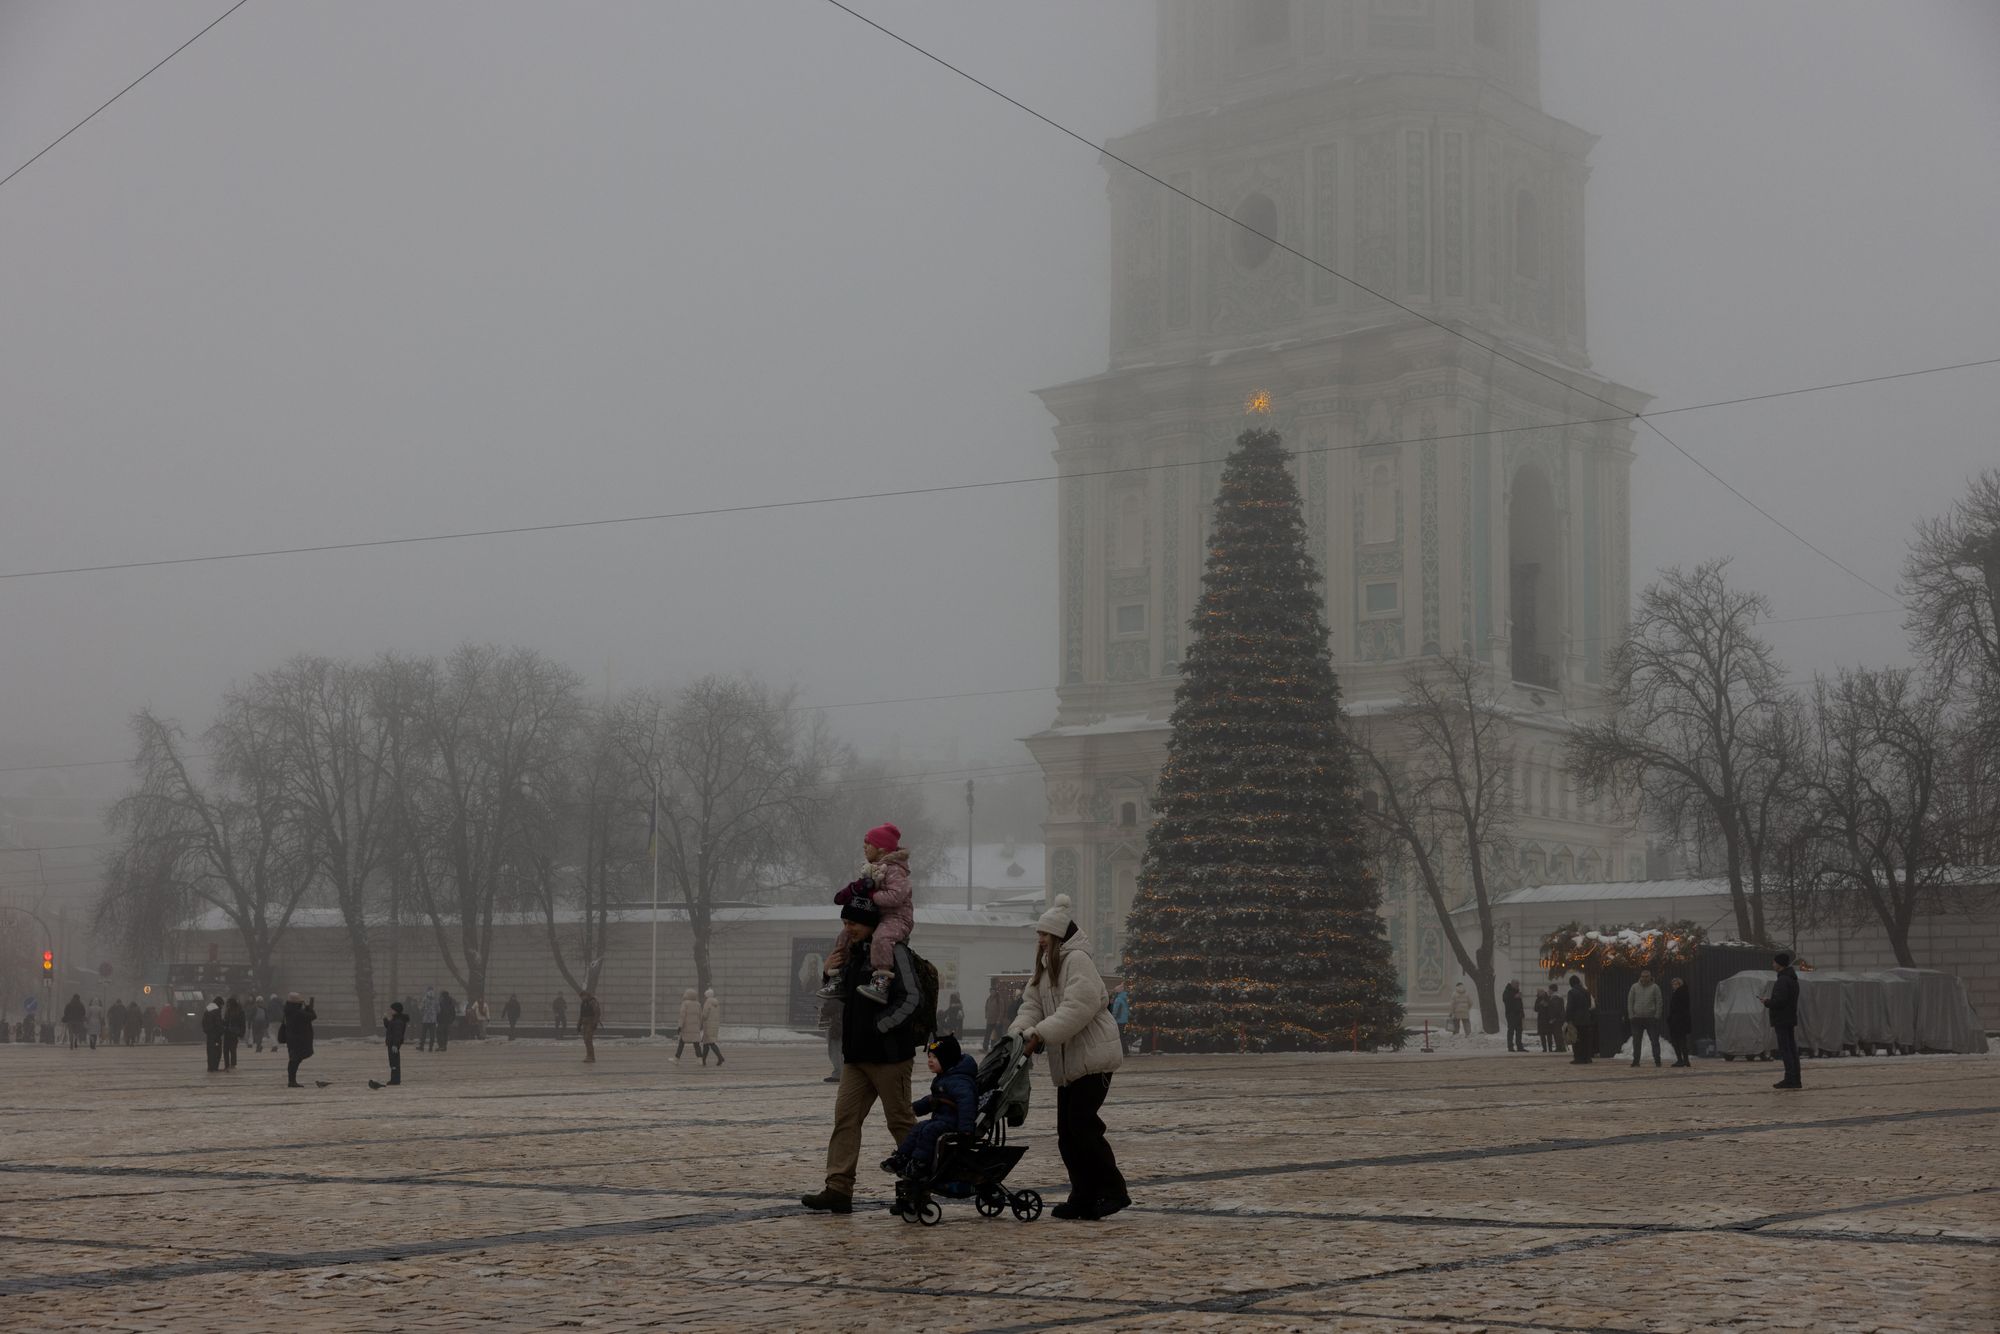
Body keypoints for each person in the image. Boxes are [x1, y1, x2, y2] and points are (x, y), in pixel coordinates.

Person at [800, 895, 923, 1215]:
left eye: (852, 922)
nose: (847, 929)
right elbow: (839, 994)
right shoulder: (852, 954)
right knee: (846, 1119)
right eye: (844, 923)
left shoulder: (895, 951)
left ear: (869, 923)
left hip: (890, 1057)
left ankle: (918, 1185)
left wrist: (881, 1027)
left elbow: (911, 998)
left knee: (900, 1122)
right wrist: (829, 974)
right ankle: (838, 1188)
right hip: (856, 1057)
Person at [1010, 894, 1127, 1221]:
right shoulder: (1047, 968)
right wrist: (1017, 1034)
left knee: (1083, 1128)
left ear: (1059, 936)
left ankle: (1114, 1190)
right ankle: (1083, 1196)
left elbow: (1078, 1008)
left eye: (1044, 934)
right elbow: (1031, 1006)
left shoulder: (1078, 962)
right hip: (1070, 1065)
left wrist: (1040, 1034)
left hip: (1094, 1058)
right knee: (1068, 1134)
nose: (1040, 940)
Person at [881, 1035, 977, 1177]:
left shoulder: (960, 1081)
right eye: (929, 1057)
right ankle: (902, 1157)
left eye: (934, 1058)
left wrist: (966, 1129)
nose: (930, 1061)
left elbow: (967, 1104)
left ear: (947, 1059)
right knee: (918, 1128)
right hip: (942, 1120)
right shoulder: (945, 1077)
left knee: (929, 1131)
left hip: (953, 1123)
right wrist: (916, 1107)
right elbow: (935, 1100)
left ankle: (920, 1163)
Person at [852, 825, 914, 1005]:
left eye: (868, 844)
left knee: (881, 937)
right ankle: (836, 978)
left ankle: (882, 982)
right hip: (879, 916)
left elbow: (896, 896)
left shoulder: (895, 870)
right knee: (848, 934)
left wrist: (872, 895)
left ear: (881, 849)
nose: (864, 848)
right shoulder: (872, 869)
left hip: (897, 918)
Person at [1762, 951, 1803, 1090]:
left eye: (1774, 962)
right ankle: (1795, 1078)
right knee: (1792, 1049)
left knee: (1786, 1050)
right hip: (1790, 1018)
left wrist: (1767, 1002)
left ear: (1779, 964)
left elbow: (1780, 1001)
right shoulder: (1792, 979)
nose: (1772, 964)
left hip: (1782, 1019)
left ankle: (1790, 1079)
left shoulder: (1783, 980)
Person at [1625, 969, 1664, 1068]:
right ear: (1640, 976)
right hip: (1637, 1018)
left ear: (1650, 977)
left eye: (1647, 976)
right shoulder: (1634, 987)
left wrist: (1657, 1016)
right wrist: (1631, 1015)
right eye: (1643, 976)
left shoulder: (1655, 987)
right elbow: (1630, 1001)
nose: (1644, 978)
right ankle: (1636, 1061)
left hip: (1651, 1018)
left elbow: (1659, 1002)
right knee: (1636, 1041)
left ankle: (1657, 1060)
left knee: (1654, 1040)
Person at [280, 993, 316, 1088]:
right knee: (295, 1061)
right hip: (299, 1039)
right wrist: (309, 1008)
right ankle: (292, 1081)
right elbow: (312, 1016)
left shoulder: (288, 1011)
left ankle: (291, 1080)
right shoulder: (297, 1012)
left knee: (294, 1060)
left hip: (291, 1039)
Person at [374, 1001, 408, 1087]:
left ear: (396, 1010)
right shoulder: (396, 1019)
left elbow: (398, 1034)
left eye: (392, 1009)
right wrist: (385, 1019)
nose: (390, 1010)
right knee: (393, 1062)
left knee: (394, 1062)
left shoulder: (398, 1021)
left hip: (393, 1044)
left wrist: (395, 1044)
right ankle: (394, 1079)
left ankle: (395, 1080)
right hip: (392, 1043)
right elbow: (389, 1027)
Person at [1565, 974, 1595, 1064]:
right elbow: (1590, 1005)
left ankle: (1578, 1058)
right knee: (1586, 1039)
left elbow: (1569, 1007)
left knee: (1576, 1039)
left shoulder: (1571, 992)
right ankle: (1587, 1057)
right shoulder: (1586, 992)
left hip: (1576, 1020)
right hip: (1586, 1018)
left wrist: (1568, 1019)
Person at [1667, 976, 1693, 1068]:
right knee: (1683, 1041)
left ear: (1679, 984)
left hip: (1677, 1021)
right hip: (1683, 1021)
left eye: (1675, 984)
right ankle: (1685, 1060)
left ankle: (1680, 1060)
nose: (1673, 986)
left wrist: (1671, 1019)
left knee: (1677, 1041)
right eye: (1672, 984)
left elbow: (1675, 1008)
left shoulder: (1678, 994)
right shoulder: (1685, 992)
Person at [819, 993, 843, 1084]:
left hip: (835, 1027)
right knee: (838, 1051)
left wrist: (823, 1008)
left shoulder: (835, 998)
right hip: (838, 1026)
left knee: (835, 1051)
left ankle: (839, 1074)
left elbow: (827, 1010)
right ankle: (840, 1073)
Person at [700, 988, 724, 1066]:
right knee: (706, 1043)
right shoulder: (716, 1003)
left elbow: (705, 1015)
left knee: (710, 1042)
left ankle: (720, 1057)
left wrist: (701, 1017)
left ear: (707, 995)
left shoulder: (707, 1003)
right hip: (714, 1025)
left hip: (708, 1025)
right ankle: (703, 1060)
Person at [675, 988, 701, 1062]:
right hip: (695, 1028)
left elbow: (682, 1016)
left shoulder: (685, 1003)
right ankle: (700, 1059)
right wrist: (698, 1026)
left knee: (681, 1043)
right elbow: (700, 1016)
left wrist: (680, 1026)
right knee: (696, 1044)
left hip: (686, 1028)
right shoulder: (698, 1004)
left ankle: (676, 1059)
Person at [222, 996, 246, 1070]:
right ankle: (227, 1065)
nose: (227, 1005)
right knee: (226, 1049)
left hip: (234, 1032)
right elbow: (226, 1021)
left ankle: (232, 1064)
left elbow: (242, 1023)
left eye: (228, 1003)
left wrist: (241, 1033)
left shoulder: (239, 1011)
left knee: (232, 1049)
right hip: (227, 1032)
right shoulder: (228, 1011)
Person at [201, 997, 224, 1071]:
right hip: (216, 1035)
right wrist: (221, 1031)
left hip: (209, 1035)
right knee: (217, 1051)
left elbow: (203, 1022)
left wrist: (207, 1031)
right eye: (222, 1005)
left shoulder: (207, 1010)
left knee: (210, 1051)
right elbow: (218, 1023)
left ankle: (210, 1067)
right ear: (219, 1004)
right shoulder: (216, 1011)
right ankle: (215, 1067)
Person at [577, 990, 600, 1063]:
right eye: (581, 997)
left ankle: (591, 1057)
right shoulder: (583, 1003)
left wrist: (595, 1023)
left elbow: (597, 1013)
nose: (582, 998)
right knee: (586, 1040)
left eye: (583, 996)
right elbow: (581, 1015)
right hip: (585, 1022)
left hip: (590, 1022)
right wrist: (579, 1024)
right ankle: (588, 1056)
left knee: (588, 1039)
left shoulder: (592, 1002)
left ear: (586, 995)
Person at [1109, 984, 1132, 1055]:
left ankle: (1123, 1051)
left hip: (1118, 1020)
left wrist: (1112, 1018)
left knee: (1119, 1036)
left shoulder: (1118, 999)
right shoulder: (1125, 998)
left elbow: (1115, 1011)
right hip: (1124, 1019)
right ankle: (1125, 1051)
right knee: (1122, 1035)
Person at [1502, 981, 1525, 1053]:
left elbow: (1520, 1004)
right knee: (1511, 1031)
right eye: (1517, 985)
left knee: (1519, 1031)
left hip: (1518, 1014)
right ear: (1512, 985)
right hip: (1511, 1014)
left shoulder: (1517, 992)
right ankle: (1510, 1047)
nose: (1518, 986)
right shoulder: (1507, 991)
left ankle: (1519, 1046)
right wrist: (1514, 997)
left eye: (1518, 985)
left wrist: (1522, 1014)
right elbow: (1506, 1000)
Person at [983, 984, 1005, 1054]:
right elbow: (986, 1007)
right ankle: (985, 1047)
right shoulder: (988, 999)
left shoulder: (999, 1000)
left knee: (999, 1035)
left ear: (995, 992)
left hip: (996, 1021)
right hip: (989, 1020)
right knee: (987, 1034)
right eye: (991, 991)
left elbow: (1002, 1010)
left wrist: (999, 1019)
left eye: (993, 991)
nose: (992, 992)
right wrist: (986, 1015)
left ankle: (1001, 1047)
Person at [1532, 985, 1554, 1052]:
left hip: (1547, 1018)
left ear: (1543, 992)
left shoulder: (1549, 998)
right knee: (1542, 1035)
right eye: (1538, 992)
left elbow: (1552, 1007)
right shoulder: (1538, 999)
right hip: (1541, 1019)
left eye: (1539, 992)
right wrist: (1540, 1004)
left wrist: (1547, 1005)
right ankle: (1544, 1048)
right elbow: (1535, 1008)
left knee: (1549, 1035)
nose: (1538, 993)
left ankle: (1550, 1048)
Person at [1548, 985, 1569, 1052]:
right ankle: (1560, 1047)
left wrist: (1553, 1018)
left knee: (1557, 1033)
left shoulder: (1555, 998)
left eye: (1549, 990)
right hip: (1559, 1018)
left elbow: (1555, 1009)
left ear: (1552, 990)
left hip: (1557, 1019)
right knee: (1558, 1033)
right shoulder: (1557, 997)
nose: (1548, 991)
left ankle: (1560, 1047)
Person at [418, 986, 439, 1052]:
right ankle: (430, 1048)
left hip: (425, 1019)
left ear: (427, 991)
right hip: (433, 1020)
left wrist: (423, 1013)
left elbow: (421, 1008)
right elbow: (438, 1009)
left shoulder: (425, 999)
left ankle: (421, 1047)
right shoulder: (436, 999)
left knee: (423, 1034)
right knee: (432, 1035)